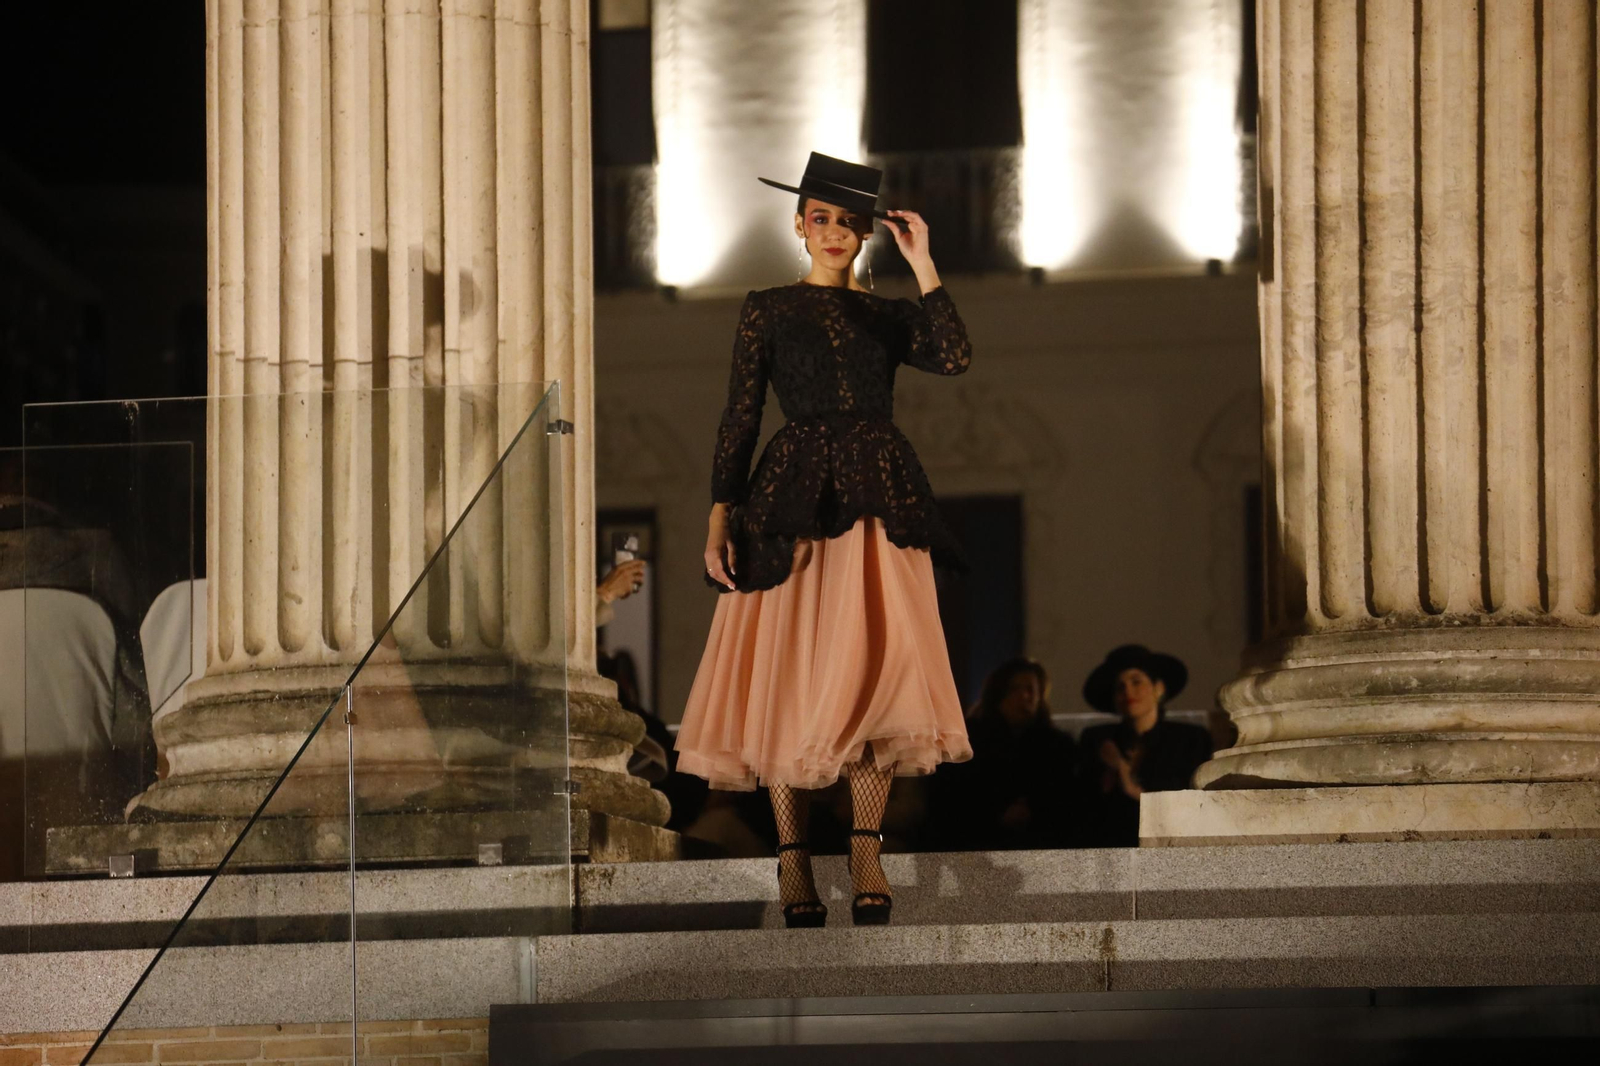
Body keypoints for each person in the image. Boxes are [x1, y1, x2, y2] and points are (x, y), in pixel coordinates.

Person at [674, 152, 974, 928]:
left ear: (866, 232)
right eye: (820, 218)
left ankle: (866, 848)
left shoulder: (886, 313)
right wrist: (717, 517)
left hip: (879, 495)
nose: (833, 232)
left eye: (848, 221)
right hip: (791, 495)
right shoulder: (768, 308)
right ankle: (794, 859)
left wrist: (924, 263)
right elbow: (739, 417)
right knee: (790, 675)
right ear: (798, 224)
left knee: (879, 667)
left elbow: (954, 356)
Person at [931, 658, 1077, 851]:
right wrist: (997, 813)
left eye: (1030, 690)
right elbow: (954, 795)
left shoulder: (1058, 745)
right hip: (976, 837)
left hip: (1041, 839)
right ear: (999, 694)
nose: (1024, 696)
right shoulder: (970, 740)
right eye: (1015, 689)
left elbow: (1064, 798)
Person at [1077, 644, 1213, 847]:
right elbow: (1083, 809)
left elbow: (1194, 807)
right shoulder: (1097, 740)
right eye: (1119, 686)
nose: (1128, 691)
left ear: (1158, 688)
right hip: (1110, 851)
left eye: (1136, 681)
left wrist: (1126, 779)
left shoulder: (1190, 739)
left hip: (1172, 849)